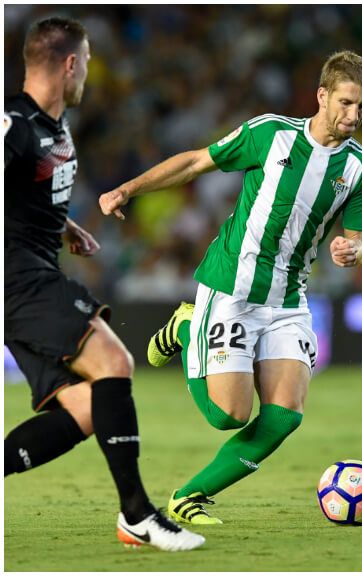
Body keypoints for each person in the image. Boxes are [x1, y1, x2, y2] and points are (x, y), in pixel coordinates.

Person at [98, 50, 362, 524]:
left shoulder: (360, 168)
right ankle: (187, 328)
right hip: (234, 286)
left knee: (285, 415)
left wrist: (352, 250)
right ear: (322, 95)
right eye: (346, 103)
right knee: (227, 416)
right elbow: (195, 163)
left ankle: (189, 496)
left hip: (289, 298)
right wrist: (128, 189)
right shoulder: (271, 133)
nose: (354, 116)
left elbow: (359, 240)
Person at [4, 17, 204, 551]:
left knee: (88, 407)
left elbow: (23, 192)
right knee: (114, 361)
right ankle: (137, 514)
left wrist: (64, 227)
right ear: (70, 63)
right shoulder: (15, 123)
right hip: (17, 277)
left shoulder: (55, 125)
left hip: (34, 269)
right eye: (88, 62)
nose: (89, 73)